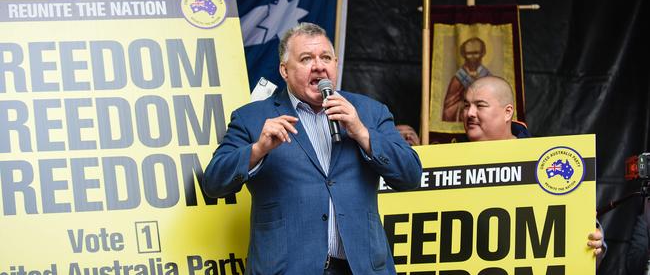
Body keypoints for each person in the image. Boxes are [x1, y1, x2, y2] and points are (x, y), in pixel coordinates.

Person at [202, 23, 423, 274]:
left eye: (326, 57)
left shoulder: (370, 112)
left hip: (362, 268)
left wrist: (362, 133)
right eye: (306, 58)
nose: (319, 66)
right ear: (284, 70)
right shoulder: (252, 118)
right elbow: (213, 183)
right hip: (286, 269)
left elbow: (411, 176)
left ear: (335, 64)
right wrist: (257, 150)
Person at [461, 75, 606, 268]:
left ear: (507, 112)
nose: (469, 113)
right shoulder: (447, 164)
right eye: (466, 105)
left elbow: (582, 245)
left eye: (480, 105)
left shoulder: (544, 164)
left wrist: (595, 246)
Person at [442, 37, 491, 122]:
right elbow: (448, 110)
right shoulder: (458, 79)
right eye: (469, 53)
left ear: (482, 53)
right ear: (463, 54)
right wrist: (462, 106)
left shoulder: (488, 77)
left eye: (476, 53)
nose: (472, 57)